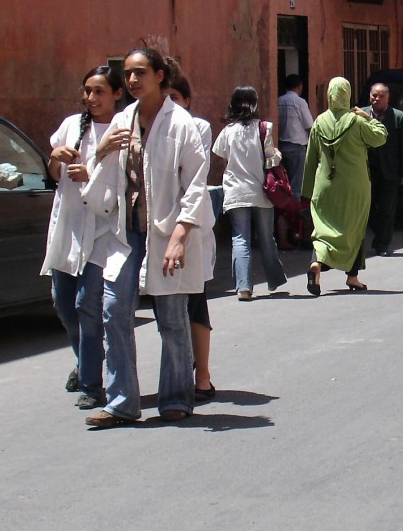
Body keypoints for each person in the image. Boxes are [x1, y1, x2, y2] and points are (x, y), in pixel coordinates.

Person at [82, 47, 214, 427]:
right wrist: (101, 151)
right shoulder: (122, 120)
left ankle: (175, 397)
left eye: (140, 72)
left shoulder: (181, 124)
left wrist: (180, 235)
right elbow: (103, 177)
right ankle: (122, 402)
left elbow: (195, 184)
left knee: (171, 317)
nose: (132, 80)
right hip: (126, 232)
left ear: (159, 75)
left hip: (167, 231)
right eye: (127, 73)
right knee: (114, 311)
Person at [41, 65, 124, 409]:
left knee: (86, 305)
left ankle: (92, 384)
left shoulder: (123, 130)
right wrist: (55, 159)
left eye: (99, 91)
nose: (91, 97)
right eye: (88, 91)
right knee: (63, 303)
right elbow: (53, 174)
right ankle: (84, 360)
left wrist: (92, 175)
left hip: (102, 230)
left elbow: (123, 182)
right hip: (68, 227)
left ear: (117, 94)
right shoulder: (72, 125)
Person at [303, 77, 387, 293]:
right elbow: (380, 137)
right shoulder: (357, 121)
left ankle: (316, 264)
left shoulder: (319, 122)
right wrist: (368, 117)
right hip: (354, 186)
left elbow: (311, 158)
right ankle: (352, 276)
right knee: (354, 228)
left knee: (323, 230)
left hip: (324, 186)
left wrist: (307, 191)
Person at [166, 66, 218, 402]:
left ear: (187, 100)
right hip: (156, 229)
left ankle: (202, 375)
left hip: (191, 227)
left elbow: (191, 178)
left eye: (174, 98)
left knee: (195, 301)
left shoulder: (196, 127)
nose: (169, 104)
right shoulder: (141, 126)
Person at [213, 86, 288, 301]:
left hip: (236, 191)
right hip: (261, 190)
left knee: (240, 238)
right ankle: (275, 279)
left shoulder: (227, 131)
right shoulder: (264, 128)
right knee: (266, 237)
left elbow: (223, 157)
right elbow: (272, 159)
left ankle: (243, 287)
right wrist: (277, 154)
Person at [362, 83, 403, 257]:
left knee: (387, 210)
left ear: (388, 98)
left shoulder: (399, 117)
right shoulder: (360, 115)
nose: (377, 99)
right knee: (366, 209)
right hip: (366, 170)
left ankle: (382, 245)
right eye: (374, 95)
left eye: (381, 96)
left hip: (389, 171)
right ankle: (378, 234)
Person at [277, 74, 314, 199]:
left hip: (281, 146)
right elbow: (309, 125)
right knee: (296, 186)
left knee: (284, 183)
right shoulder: (299, 102)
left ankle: (285, 208)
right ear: (299, 86)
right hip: (297, 147)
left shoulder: (279, 101)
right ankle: (295, 209)